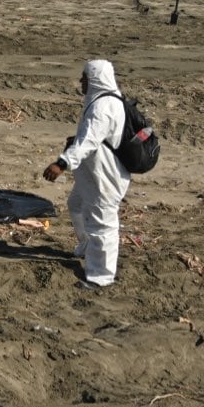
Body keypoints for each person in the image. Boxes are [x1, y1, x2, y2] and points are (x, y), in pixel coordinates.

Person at [42, 58, 131, 288]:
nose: (81, 81)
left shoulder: (103, 107)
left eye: (85, 78)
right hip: (91, 174)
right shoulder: (100, 101)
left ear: (96, 79)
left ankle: (101, 277)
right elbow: (91, 137)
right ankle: (86, 246)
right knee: (76, 206)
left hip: (104, 177)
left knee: (103, 225)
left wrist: (62, 164)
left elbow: (89, 142)